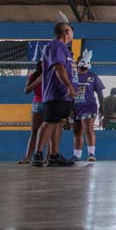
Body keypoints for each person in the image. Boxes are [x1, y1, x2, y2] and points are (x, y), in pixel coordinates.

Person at [31, 21, 77, 167]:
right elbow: (58, 67)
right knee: (50, 122)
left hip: (65, 96)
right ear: (67, 32)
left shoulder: (65, 49)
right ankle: (38, 154)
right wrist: (69, 86)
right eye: (71, 31)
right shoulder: (56, 45)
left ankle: (54, 155)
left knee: (59, 123)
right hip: (56, 93)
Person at [71, 51, 105, 162]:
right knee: (77, 131)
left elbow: (100, 93)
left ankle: (91, 153)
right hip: (74, 107)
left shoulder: (93, 77)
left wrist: (102, 107)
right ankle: (76, 155)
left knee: (88, 128)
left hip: (89, 106)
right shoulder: (72, 77)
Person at [21, 63, 45, 164]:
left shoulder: (54, 73)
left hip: (51, 103)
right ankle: (27, 157)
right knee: (34, 132)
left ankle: (47, 157)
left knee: (48, 132)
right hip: (38, 104)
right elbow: (26, 90)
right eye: (42, 62)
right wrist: (37, 81)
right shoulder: (34, 76)